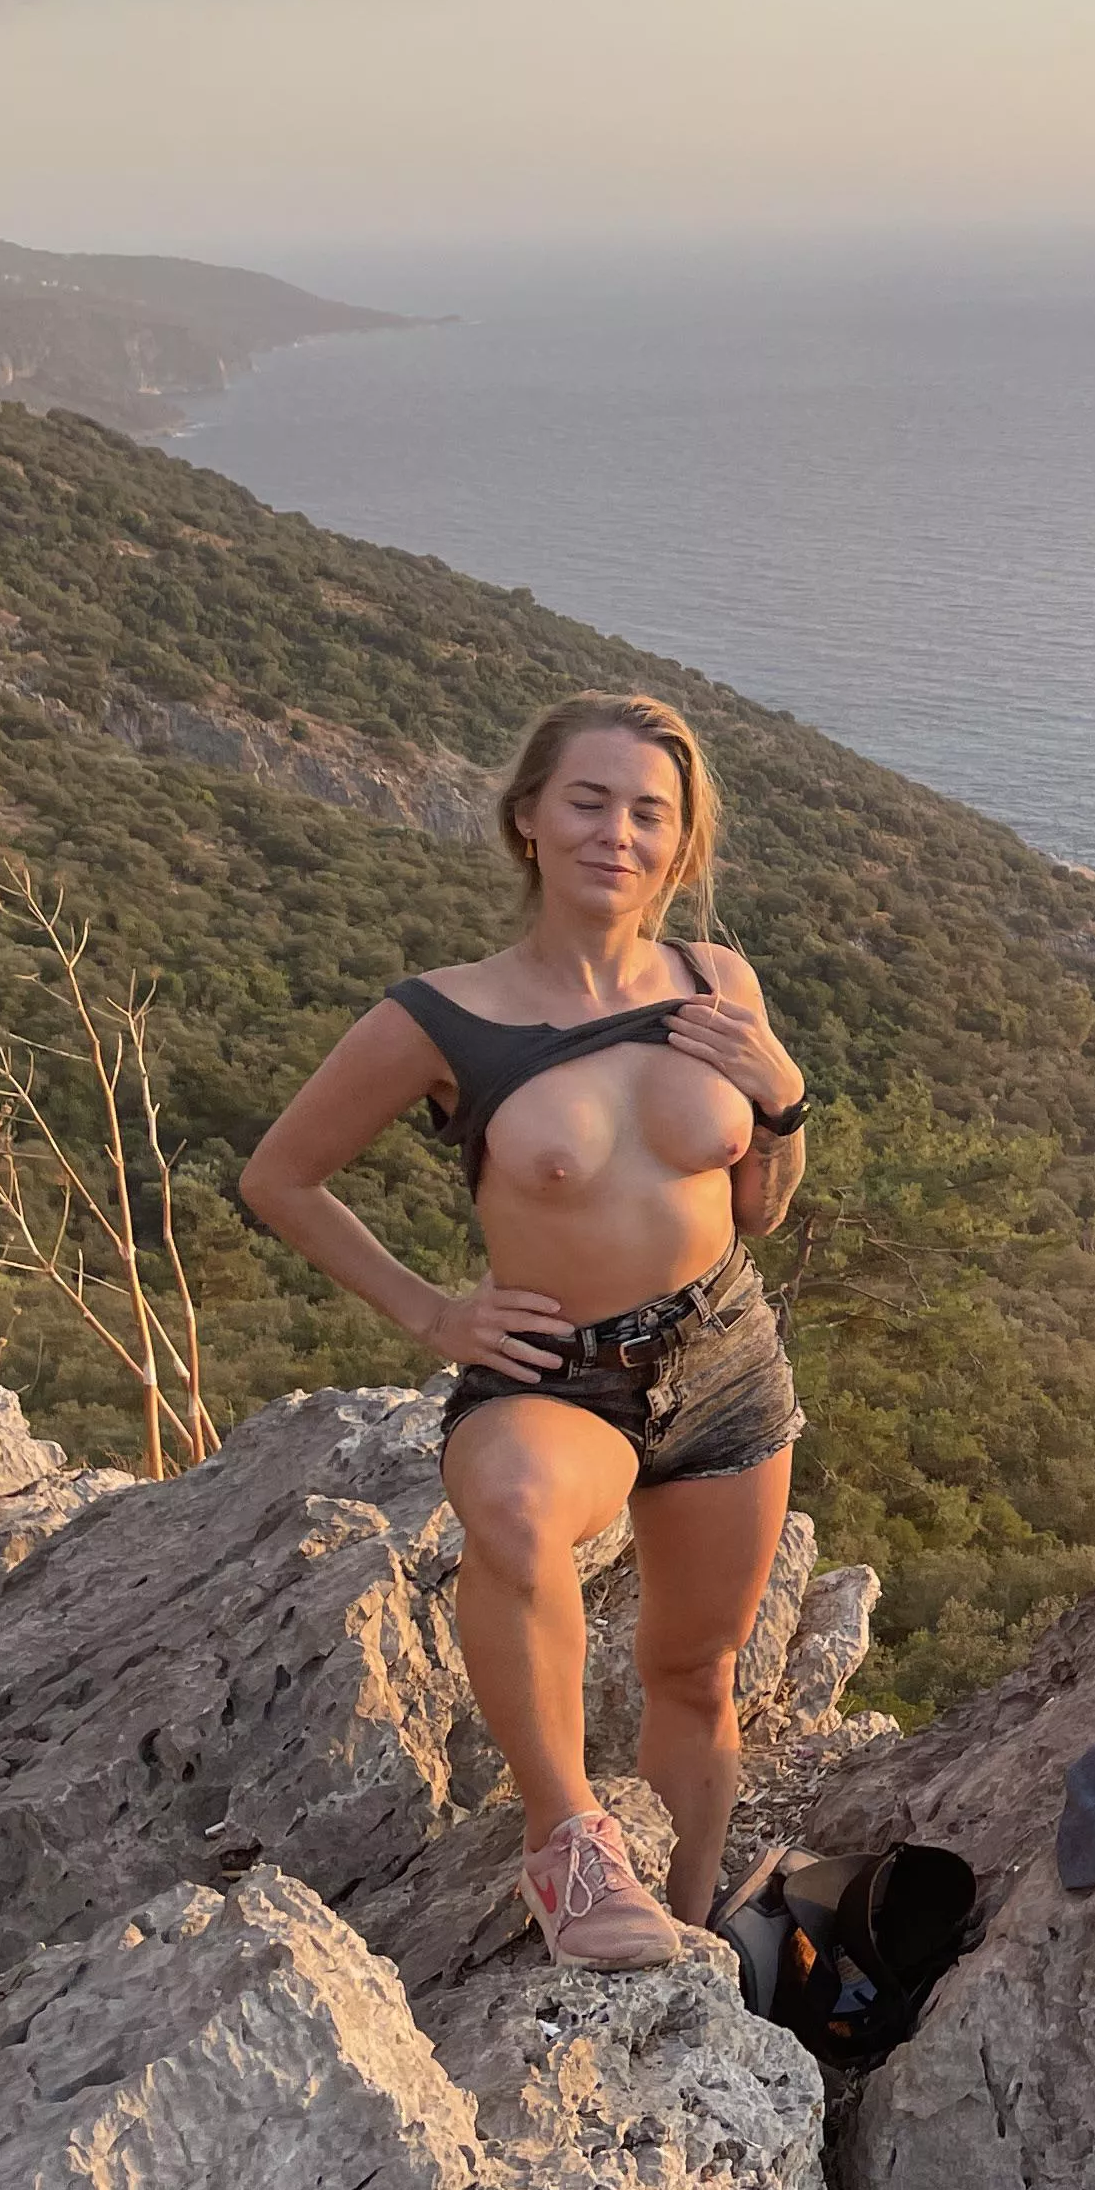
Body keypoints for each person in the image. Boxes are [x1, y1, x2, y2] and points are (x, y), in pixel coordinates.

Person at [243, 690, 810, 1968]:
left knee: (698, 1674)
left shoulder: (719, 984)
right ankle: (567, 1843)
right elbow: (281, 1176)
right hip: (562, 1375)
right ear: (530, 822)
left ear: (681, 844)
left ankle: (692, 1916)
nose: (619, 832)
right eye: (590, 802)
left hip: (726, 1356)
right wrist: (431, 1311)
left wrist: (784, 1103)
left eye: (649, 813)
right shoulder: (446, 1017)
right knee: (507, 1512)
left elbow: (759, 1211)